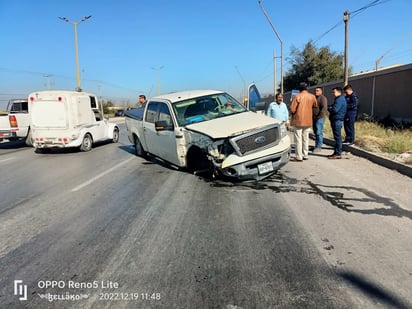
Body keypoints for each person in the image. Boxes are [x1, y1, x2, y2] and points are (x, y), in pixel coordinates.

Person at [290, 82, 317, 162]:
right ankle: (305, 155)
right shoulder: (312, 96)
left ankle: (299, 156)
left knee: (298, 139)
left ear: (299, 89)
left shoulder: (297, 96)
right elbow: (315, 106)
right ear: (307, 88)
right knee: (306, 138)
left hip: (298, 120)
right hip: (308, 120)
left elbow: (292, 109)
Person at [328, 87, 347, 159]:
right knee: (336, 138)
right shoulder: (339, 99)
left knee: (338, 138)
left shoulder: (340, 100)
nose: (333, 94)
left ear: (339, 92)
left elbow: (335, 110)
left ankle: (338, 153)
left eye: (334, 92)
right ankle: (335, 152)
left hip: (337, 120)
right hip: (336, 120)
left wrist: (329, 108)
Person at [312, 87, 328, 152]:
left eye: (318, 91)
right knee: (316, 132)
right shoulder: (314, 98)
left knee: (319, 132)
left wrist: (319, 117)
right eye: (315, 90)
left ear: (321, 91)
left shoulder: (323, 98)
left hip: (320, 118)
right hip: (314, 118)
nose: (316, 92)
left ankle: (319, 147)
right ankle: (316, 146)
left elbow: (324, 108)